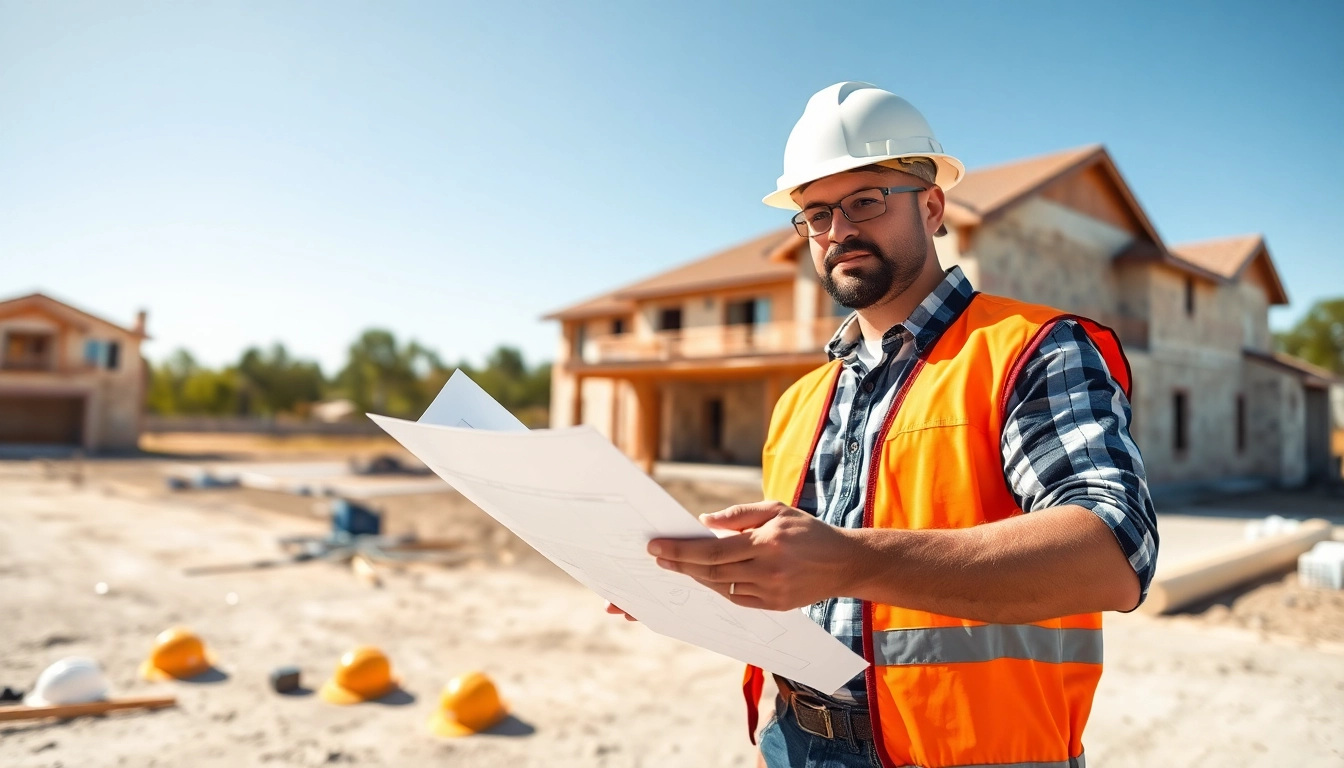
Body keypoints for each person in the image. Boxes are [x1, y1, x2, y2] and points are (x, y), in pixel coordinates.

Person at [607, 81, 1158, 768]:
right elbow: (797, 584)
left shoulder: (1032, 350)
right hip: (794, 740)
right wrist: (706, 579)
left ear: (932, 207)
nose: (837, 230)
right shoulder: (801, 402)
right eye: (814, 214)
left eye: (865, 201)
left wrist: (851, 560)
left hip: (971, 752)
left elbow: (1114, 553)